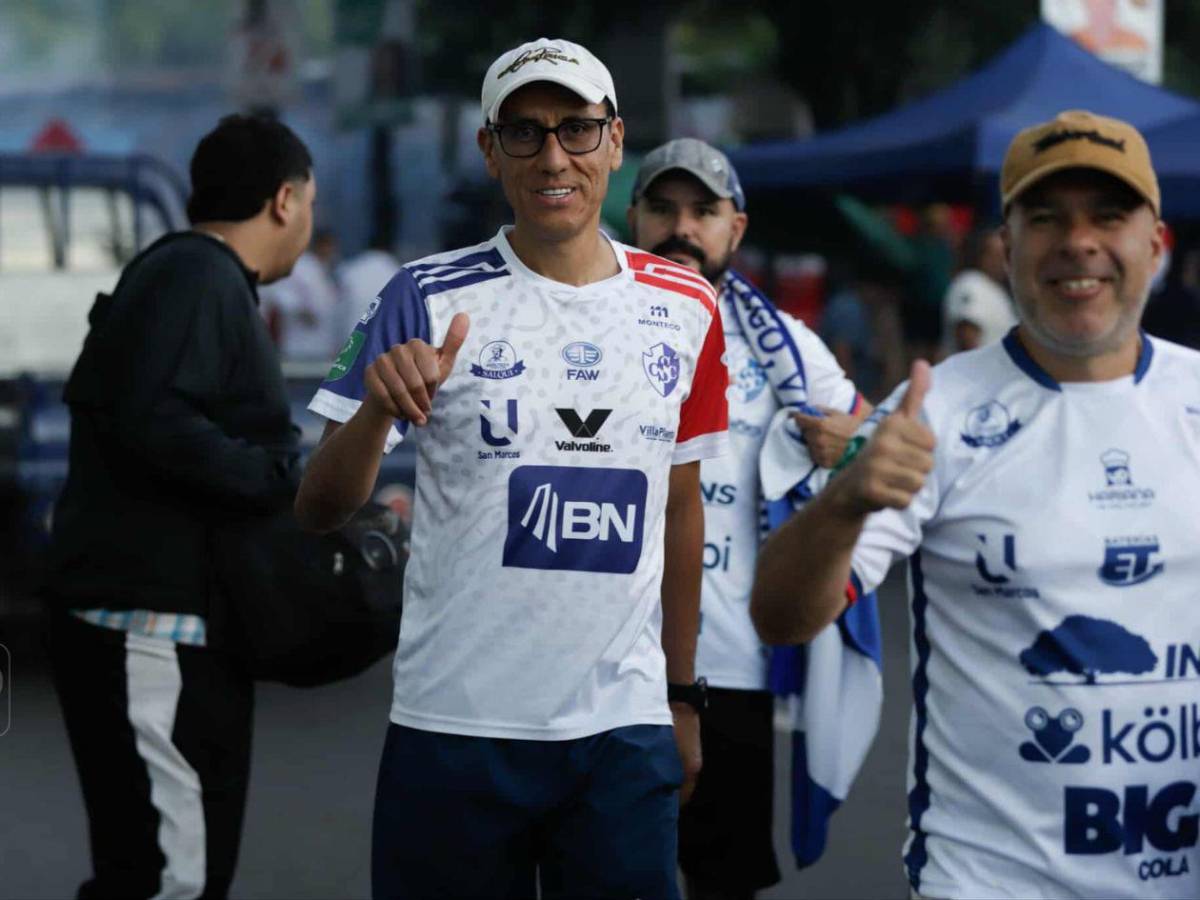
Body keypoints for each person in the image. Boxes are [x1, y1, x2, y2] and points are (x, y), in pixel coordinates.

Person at [294, 38, 729, 899]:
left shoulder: (687, 307)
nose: (553, 156)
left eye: (576, 129)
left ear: (614, 140)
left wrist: (682, 698)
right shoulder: (422, 295)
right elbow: (318, 505)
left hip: (621, 732)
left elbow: (681, 511)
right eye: (525, 134)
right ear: (491, 152)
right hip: (454, 727)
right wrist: (380, 406)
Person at [751, 109, 1200, 898]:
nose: (1078, 242)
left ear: (1155, 246)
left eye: (1109, 216)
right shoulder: (934, 413)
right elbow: (780, 616)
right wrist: (843, 503)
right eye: (1047, 218)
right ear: (1008, 246)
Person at [45, 114, 314, 899]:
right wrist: (275, 478)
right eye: (310, 204)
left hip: (169, 628)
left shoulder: (193, 276)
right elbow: (154, 419)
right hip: (147, 625)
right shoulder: (195, 276)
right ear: (284, 200)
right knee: (169, 881)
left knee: (157, 869)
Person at [626, 137, 871, 900]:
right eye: (663, 208)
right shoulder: (588, 318)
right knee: (600, 873)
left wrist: (849, 445)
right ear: (632, 217)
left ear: (737, 228)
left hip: (728, 663)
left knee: (721, 880)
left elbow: (872, 437)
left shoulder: (785, 347)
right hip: (602, 654)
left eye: (703, 211)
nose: (681, 227)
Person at [260, 227, 345, 362]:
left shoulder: (329, 272)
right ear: (319, 245)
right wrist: (301, 311)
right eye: (327, 246)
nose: (330, 251)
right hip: (299, 347)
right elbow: (279, 295)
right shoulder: (301, 267)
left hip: (324, 347)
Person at [940, 226, 1016, 356]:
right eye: (997, 255)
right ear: (981, 255)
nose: (1003, 262)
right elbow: (967, 335)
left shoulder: (996, 288)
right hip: (977, 372)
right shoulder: (970, 283)